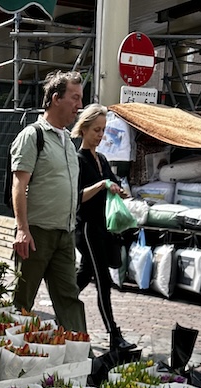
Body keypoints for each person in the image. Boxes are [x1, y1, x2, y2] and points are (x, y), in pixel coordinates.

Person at [10, 69, 86, 334]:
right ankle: (5, 353)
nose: (79, 105)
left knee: (70, 299)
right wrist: (22, 229)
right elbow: (19, 184)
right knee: (21, 301)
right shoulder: (33, 136)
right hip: (36, 234)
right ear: (56, 98)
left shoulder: (67, 140)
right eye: (75, 98)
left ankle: (81, 356)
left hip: (65, 234)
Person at [74, 104, 134, 352]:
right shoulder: (78, 159)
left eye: (103, 130)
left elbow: (112, 184)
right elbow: (77, 196)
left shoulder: (103, 159)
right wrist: (101, 185)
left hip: (103, 227)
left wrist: (119, 190)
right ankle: (113, 334)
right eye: (96, 130)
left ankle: (61, 306)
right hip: (87, 228)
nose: (100, 135)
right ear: (84, 129)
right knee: (103, 281)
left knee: (84, 276)